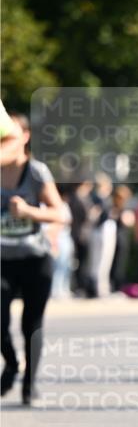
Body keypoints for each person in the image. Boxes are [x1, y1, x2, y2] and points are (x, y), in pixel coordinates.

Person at [1, 113, 67, 404]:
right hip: (2, 260)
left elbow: (60, 213)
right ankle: (12, 363)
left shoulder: (36, 171)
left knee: (32, 323)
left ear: (24, 138)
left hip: (35, 259)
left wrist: (29, 212)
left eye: (8, 136)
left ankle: (30, 385)